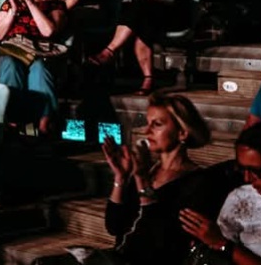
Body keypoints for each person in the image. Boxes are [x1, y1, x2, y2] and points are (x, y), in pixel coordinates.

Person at [93, 93, 217, 265]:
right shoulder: (148, 171)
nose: (146, 131)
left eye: (157, 124)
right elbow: (114, 226)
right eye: (148, 123)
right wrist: (120, 177)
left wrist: (142, 181)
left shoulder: (199, 182)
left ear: (182, 133)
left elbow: (160, 240)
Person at [180, 122, 261, 265]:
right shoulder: (240, 196)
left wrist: (221, 244)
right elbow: (218, 247)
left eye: (257, 171)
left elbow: (221, 244)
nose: (247, 178)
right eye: (242, 169)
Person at [0, 0, 68, 135]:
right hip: (14, 47)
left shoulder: (56, 4)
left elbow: (48, 31)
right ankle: (12, 123)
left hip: (40, 49)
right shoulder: (11, 2)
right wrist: (13, 11)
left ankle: (44, 124)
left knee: (40, 68)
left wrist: (31, 4)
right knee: (11, 65)